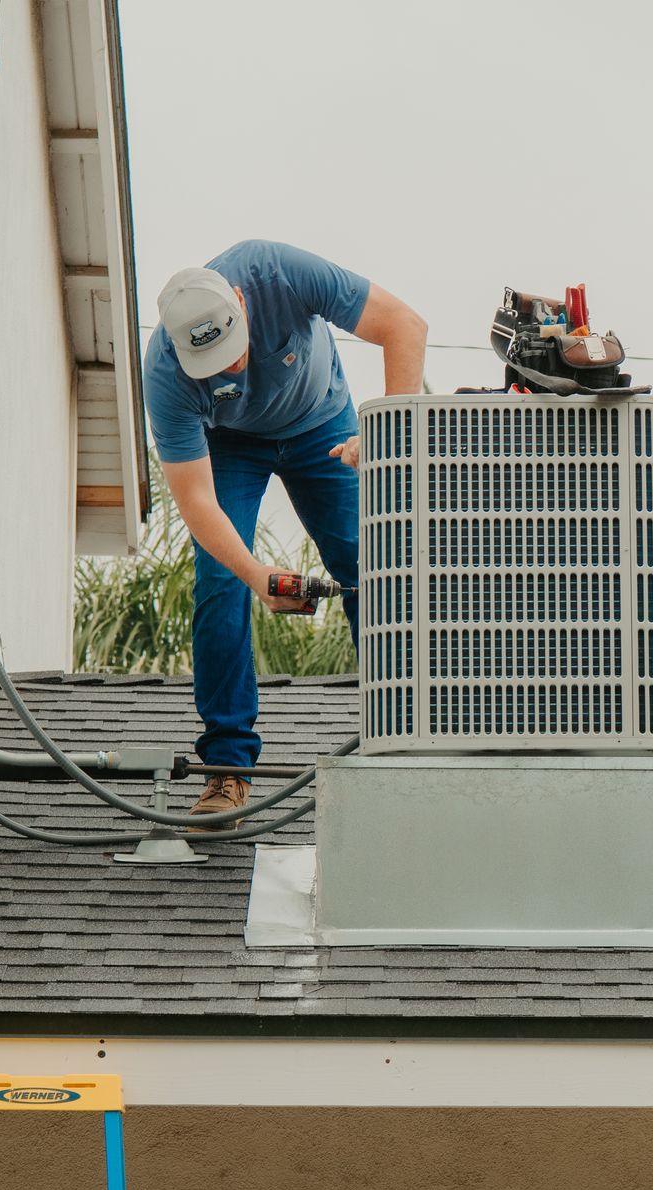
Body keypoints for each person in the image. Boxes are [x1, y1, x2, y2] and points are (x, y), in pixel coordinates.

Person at [143, 240, 427, 825]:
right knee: (220, 583)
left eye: (234, 348)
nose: (231, 368)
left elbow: (405, 325)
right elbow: (197, 502)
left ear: (243, 302)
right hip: (230, 447)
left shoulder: (278, 272)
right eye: (213, 364)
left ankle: (405, 742)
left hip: (322, 421)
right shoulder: (166, 373)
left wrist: (387, 436)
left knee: (373, 569)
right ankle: (228, 767)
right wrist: (255, 575)